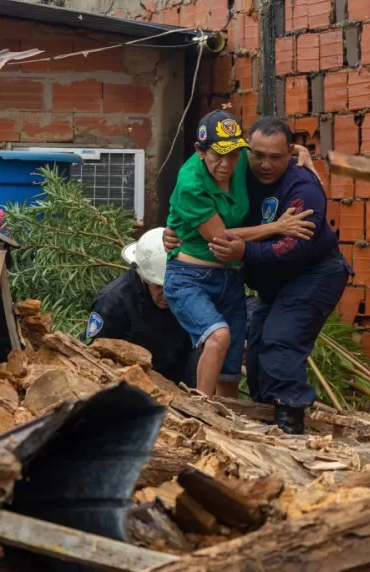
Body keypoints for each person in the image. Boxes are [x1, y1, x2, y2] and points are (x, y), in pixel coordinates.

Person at [166, 116, 350, 434]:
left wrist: (245, 253)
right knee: (257, 347)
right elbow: (218, 228)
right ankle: (266, 413)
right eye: (259, 155)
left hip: (313, 271)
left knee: (281, 339)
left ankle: (289, 417)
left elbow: (291, 248)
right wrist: (172, 230)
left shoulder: (304, 189)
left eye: (276, 157)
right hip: (266, 276)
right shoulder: (228, 168)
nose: (265, 164)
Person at [85, 227, 195, 386]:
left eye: (174, 287)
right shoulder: (112, 303)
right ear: (144, 277)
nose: (168, 295)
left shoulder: (192, 294)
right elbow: (96, 356)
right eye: (160, 287)